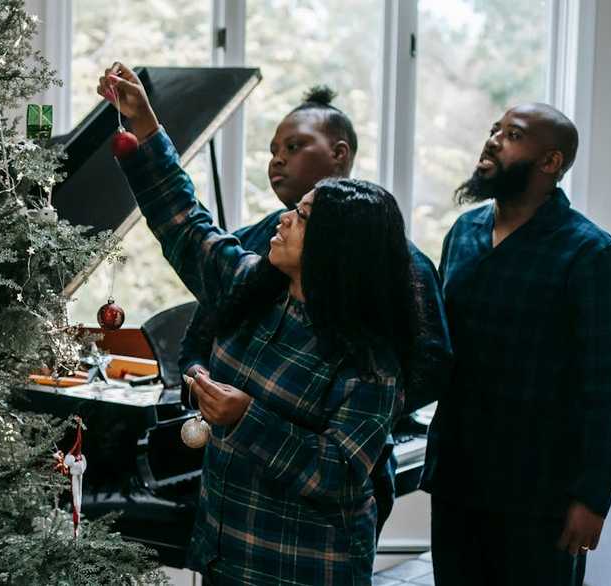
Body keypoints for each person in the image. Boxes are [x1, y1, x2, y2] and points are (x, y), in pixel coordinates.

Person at [100, 62, 418, 585]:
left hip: (303, 568)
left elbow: (339, 475)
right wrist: (145, 124)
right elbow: (183, 217)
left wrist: (247, 417)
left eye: (305, 216)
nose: (286, 217)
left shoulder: (370, 359)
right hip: (225, 553)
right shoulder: (249, 284)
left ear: (339, 250)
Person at [177, 86, 452, 538]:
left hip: (328, 494)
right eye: (272, 150)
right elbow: (199, 337)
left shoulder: (397, 263)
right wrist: (200, 383)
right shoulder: (250, 241)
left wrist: (329, 410)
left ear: (339, 155)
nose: (277, 160)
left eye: (294, 146)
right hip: (236, 481)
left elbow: (433, 365)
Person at [421, 103, 611, 586]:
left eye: (513, 134)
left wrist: (592, 499)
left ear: (550, 162)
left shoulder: (591, 255)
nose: (493, 139)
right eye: (494, 129)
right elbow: (437, 347)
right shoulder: (464, 233)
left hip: (540, 494)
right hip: (457, 477)